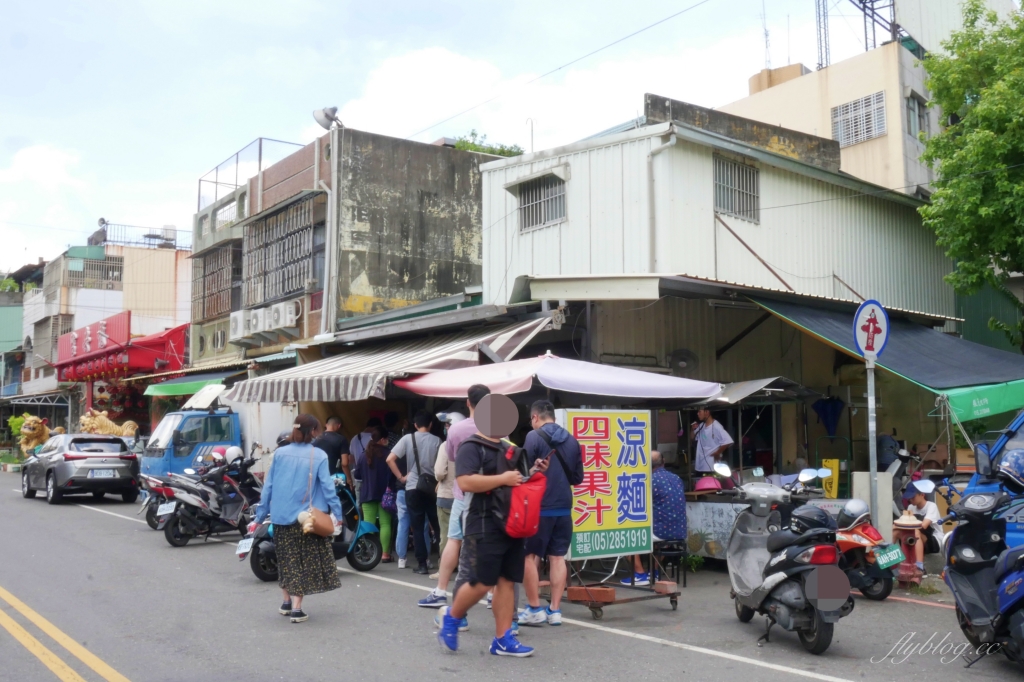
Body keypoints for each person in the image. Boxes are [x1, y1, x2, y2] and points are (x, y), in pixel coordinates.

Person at [436, 399, 547, 657]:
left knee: (507, 581)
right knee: (483, 581)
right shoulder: (471, 446)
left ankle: (502, 639)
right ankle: (451, 618)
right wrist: (503, 479)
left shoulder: (509, 448)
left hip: (512, 521)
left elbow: (517, 482)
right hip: (483, 521)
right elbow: (465, 482)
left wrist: (533, 471)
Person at [253, 414, 343, 623]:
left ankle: (286, 602)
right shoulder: (318, 455)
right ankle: (297, 609)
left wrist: (260, 514)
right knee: (301, 562)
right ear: (312, 431)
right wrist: (337, 514)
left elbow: (269, 487)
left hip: (280, 516)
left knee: (285, 559)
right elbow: (329, 488)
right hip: (306, 519)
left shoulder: (279, 453)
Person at [418, 386, 488, 610]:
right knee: (487, 545)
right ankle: (491, 595)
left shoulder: (456, 431)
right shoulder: (499, 429)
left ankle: (441, 591)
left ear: (468, 403)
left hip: (462, 494)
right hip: (490, 495)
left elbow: (451, 458)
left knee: (454, 540)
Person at [519, 400, 583, 627]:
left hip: (539, 507)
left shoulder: (533, 437)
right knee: (558, 557)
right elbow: (577, 478)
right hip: (564, 506)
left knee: (530, 557)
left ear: (535, 417)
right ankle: (555, 610)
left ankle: (534, 607)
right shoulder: (573, 440)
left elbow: (524, 472)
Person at [620, 450, 687, 586]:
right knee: (663, 528)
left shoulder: (648, 481)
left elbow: (637, 505)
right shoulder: (676, 478)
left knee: (624, 535)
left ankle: (639, 574)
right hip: (680, 530)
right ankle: (654, 572)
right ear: (663, 462)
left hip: (660, 532)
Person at [388, 410, 442, 575]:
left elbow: (389, 459)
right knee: (438, 525)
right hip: (433, 488)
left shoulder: (407, 439)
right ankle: (445, 560)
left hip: (412, 487)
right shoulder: (438, 441)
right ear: (431, 425)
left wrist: (401, 477)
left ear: (415, 425)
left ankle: (422, 565)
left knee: (417, 527)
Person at [354, 425, 394, 563]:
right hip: (386, 495)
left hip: (367, 493)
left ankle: (369, 552)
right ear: (383, 440)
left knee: (368, 523)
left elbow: (358, 475)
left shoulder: (364, 455)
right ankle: (384, 554)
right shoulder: (389, 454)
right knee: (385, 524)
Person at [433, 412, 464, 560]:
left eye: (448, 425)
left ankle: (445, 567)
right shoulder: (470, 444)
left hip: (446, 495)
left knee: (447, 535)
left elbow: (439, 472)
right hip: (465, 497)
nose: (446, 428)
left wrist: (438, 479)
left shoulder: (445, 445)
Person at [906, 481, 945, 573]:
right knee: (897, 531)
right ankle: (890, 564)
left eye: (913, 497)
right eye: (909, 498)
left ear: (922, 495)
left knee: (916, 532)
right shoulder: (910, 507)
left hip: (934, 541)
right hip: (918, 539)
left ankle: (920, 566)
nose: (911, 500)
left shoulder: (931, 506)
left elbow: (924, 525)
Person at [692, 406, 734, 474]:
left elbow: (728, 441)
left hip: (711, 466)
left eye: (699, 411)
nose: (697, 413)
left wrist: (718, 452)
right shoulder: (701, 425)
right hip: (700, 465)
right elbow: (692, 437)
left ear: (707, 412)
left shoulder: (717, 426)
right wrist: (692, 429)